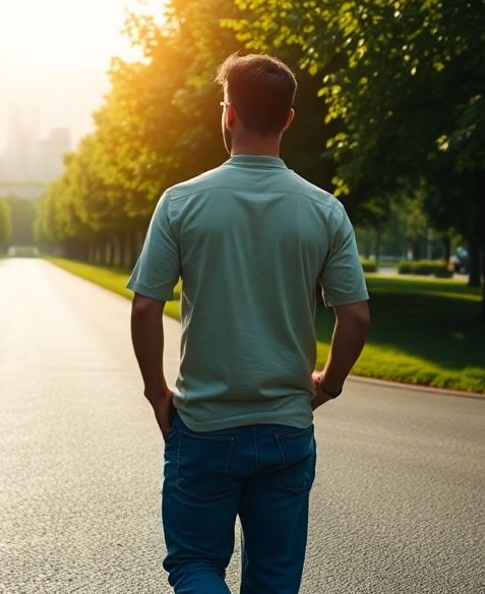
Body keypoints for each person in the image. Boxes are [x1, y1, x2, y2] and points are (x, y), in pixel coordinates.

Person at [127, 53, 371, 594]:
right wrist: (327, 385)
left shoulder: (180, 203)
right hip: (287, 426)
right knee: (274, 580)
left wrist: (156, 392)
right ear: (288, 119)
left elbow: (146, 308)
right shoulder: (325, 210)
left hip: (205, 424)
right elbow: (355, 315)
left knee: (194, 565)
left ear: (228, 113)